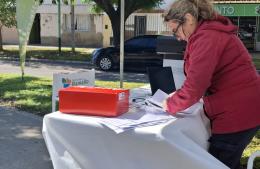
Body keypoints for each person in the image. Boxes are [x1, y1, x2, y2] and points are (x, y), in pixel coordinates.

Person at [163, 0, 260, 168]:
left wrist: (170, 104)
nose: (178, 38)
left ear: (188, 19)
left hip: (236, 113)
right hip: (243, 108)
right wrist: (180, 95)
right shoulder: (209, 33)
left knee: (216, 163)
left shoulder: (207, 37)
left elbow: (195, 87)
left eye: (175, 31)